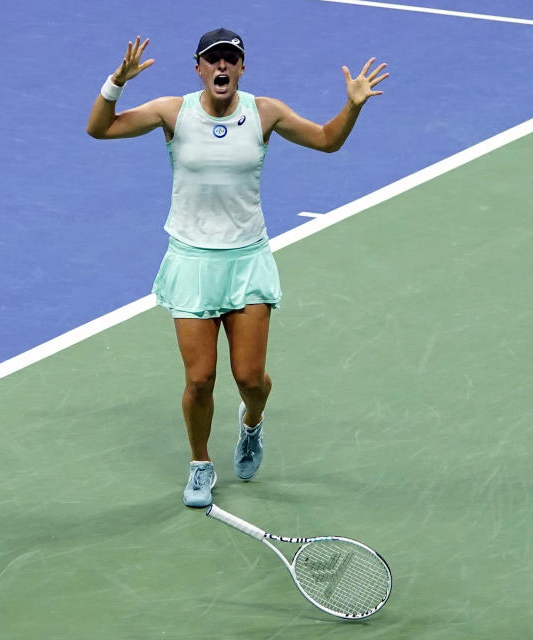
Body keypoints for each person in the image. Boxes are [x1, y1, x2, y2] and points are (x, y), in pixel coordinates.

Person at [86, 29, 388, 507]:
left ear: (241, 68)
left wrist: (352, 106)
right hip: (191, 260)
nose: (222, 67)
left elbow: (327, 141)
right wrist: (115, 83)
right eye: (213, 60)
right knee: (200, 379)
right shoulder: (172, 111)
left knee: (249, 379)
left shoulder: (265, 112)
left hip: (247, 260)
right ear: (199, 68)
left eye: (231, 60)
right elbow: (99, 128)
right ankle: (200, 464)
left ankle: (251, 423)